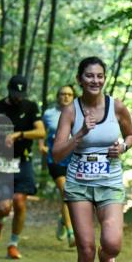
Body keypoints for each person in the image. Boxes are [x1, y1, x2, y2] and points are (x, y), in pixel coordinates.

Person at [51, 57, 132, 262]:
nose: (95, 80)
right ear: (80, 79)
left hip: (109, 181)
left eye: (99, 76)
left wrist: (123, 147)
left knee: (112, 243)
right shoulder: (71, 111)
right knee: (85, 247)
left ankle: (107, 258)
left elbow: (131, 135)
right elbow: (56, 154)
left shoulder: (116, 106)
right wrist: (79, 135)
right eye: (89, 76)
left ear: (104, 79)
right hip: (79, 183)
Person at [0, 75, 45, 259]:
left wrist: (19, 135)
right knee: (4, 207)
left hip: (22, 161)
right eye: (15, 93)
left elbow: (41, 132)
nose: (18, 97)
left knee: (19, 201)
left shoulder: (31, 107)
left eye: (21, 94)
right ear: (8, 90)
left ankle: (13, 244)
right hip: (1, 161)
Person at [41, 85, 76, 247]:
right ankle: (70, 233)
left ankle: (63, 219)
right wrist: (41, 145)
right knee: (66, 192)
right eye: (63, 94)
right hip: (55, 158)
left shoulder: (79, 113)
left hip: (74, 159)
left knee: (70, 195)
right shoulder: (49, 114)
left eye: (69, 94)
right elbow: (41, 131)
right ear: (58, 96)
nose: (66, 97)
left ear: (73, 97)